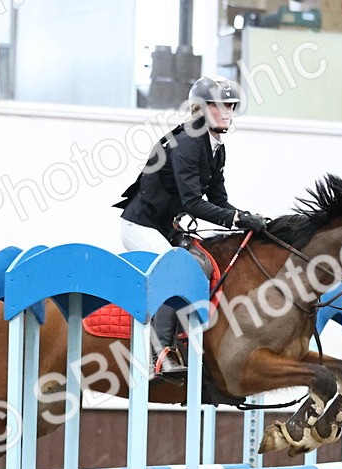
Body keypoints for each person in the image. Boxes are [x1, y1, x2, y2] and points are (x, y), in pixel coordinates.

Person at [114, 75, 266, 380]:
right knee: (177, 270)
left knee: (205, 263)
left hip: (166, 229)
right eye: (218, 106)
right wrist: (235, 220)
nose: (227, 112)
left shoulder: (215, 147)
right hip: (139, 226)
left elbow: (219, 200)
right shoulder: (186, 143)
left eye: (231, 106)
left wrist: (249, 218)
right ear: (200, 109)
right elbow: (194, 202)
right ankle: (160, 356)